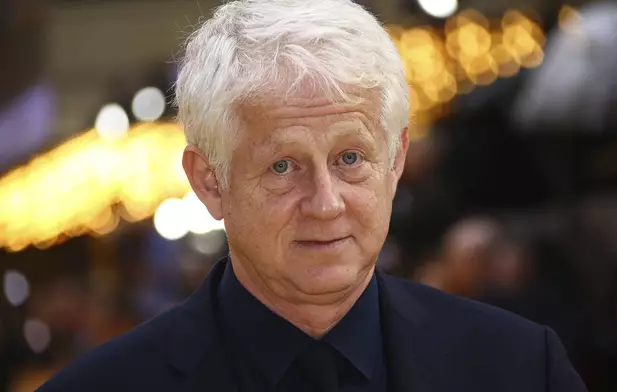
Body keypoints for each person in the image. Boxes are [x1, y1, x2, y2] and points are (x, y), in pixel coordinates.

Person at [38, 1, 588, 391]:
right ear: (210, 182)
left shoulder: (520, 368)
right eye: (283, 166)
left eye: (350, 158)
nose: (325, 203)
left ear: (395, 160)